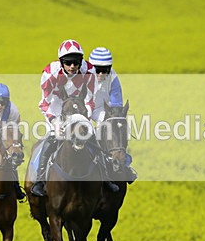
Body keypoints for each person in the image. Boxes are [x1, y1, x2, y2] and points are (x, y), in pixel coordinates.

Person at [31, 39, 118, 197]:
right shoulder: (49, 73)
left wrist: (83, 118)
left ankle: (106, 178)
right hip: (57, 107)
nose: (72, 66)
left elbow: (90, 100)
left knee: (92, 137)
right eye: (68, 62)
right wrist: (56, 122)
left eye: (76, 62)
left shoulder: (89, 70)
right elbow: (45, 103)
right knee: (53, 137)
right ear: (61, 62)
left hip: (80, 107)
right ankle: (40, 180)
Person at [88, 46, 137, 182]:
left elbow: (116, 105)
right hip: (82, 108)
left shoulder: (113, 77)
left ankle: (121, 161)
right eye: (98, 70)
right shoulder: (82, 74)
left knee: (114, 126)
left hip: (100, 110)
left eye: (105, 71)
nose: (101, 75)